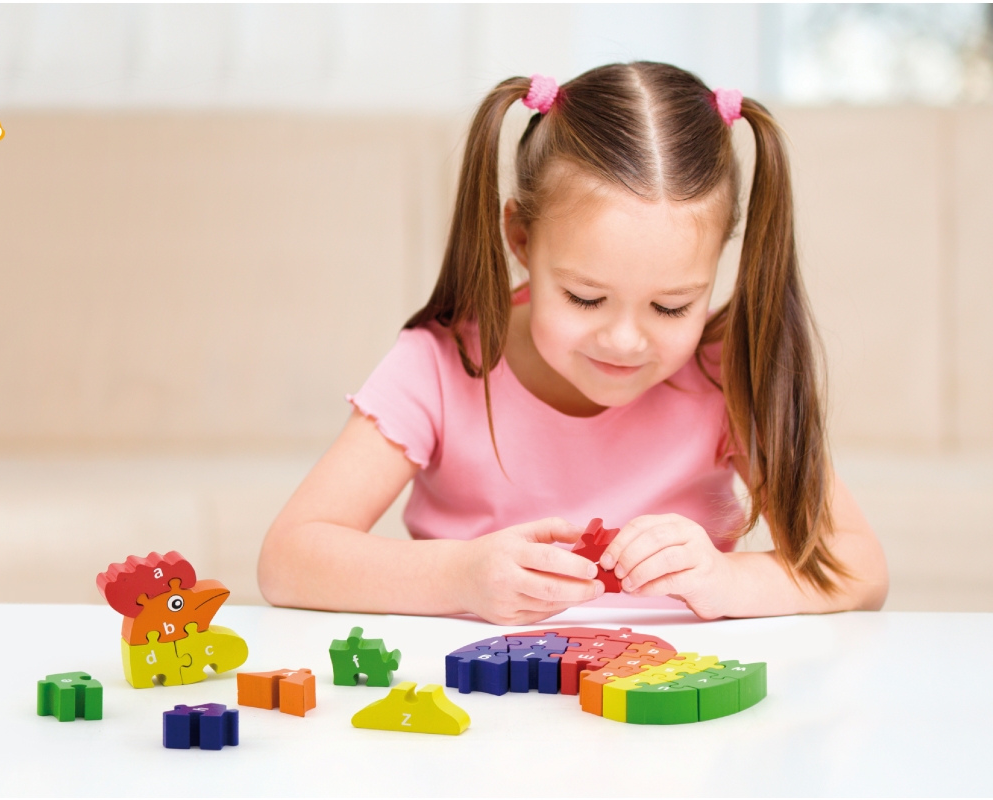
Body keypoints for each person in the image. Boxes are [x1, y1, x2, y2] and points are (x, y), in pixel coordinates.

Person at [257, 62, 888, 625]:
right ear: (521, 240)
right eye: (585, 298)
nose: (625, 340)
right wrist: (459, 576)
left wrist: (728, 579)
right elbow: (288, 558)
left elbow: (858, 567)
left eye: (672, 306)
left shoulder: (726, 373)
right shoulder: (440, 365)